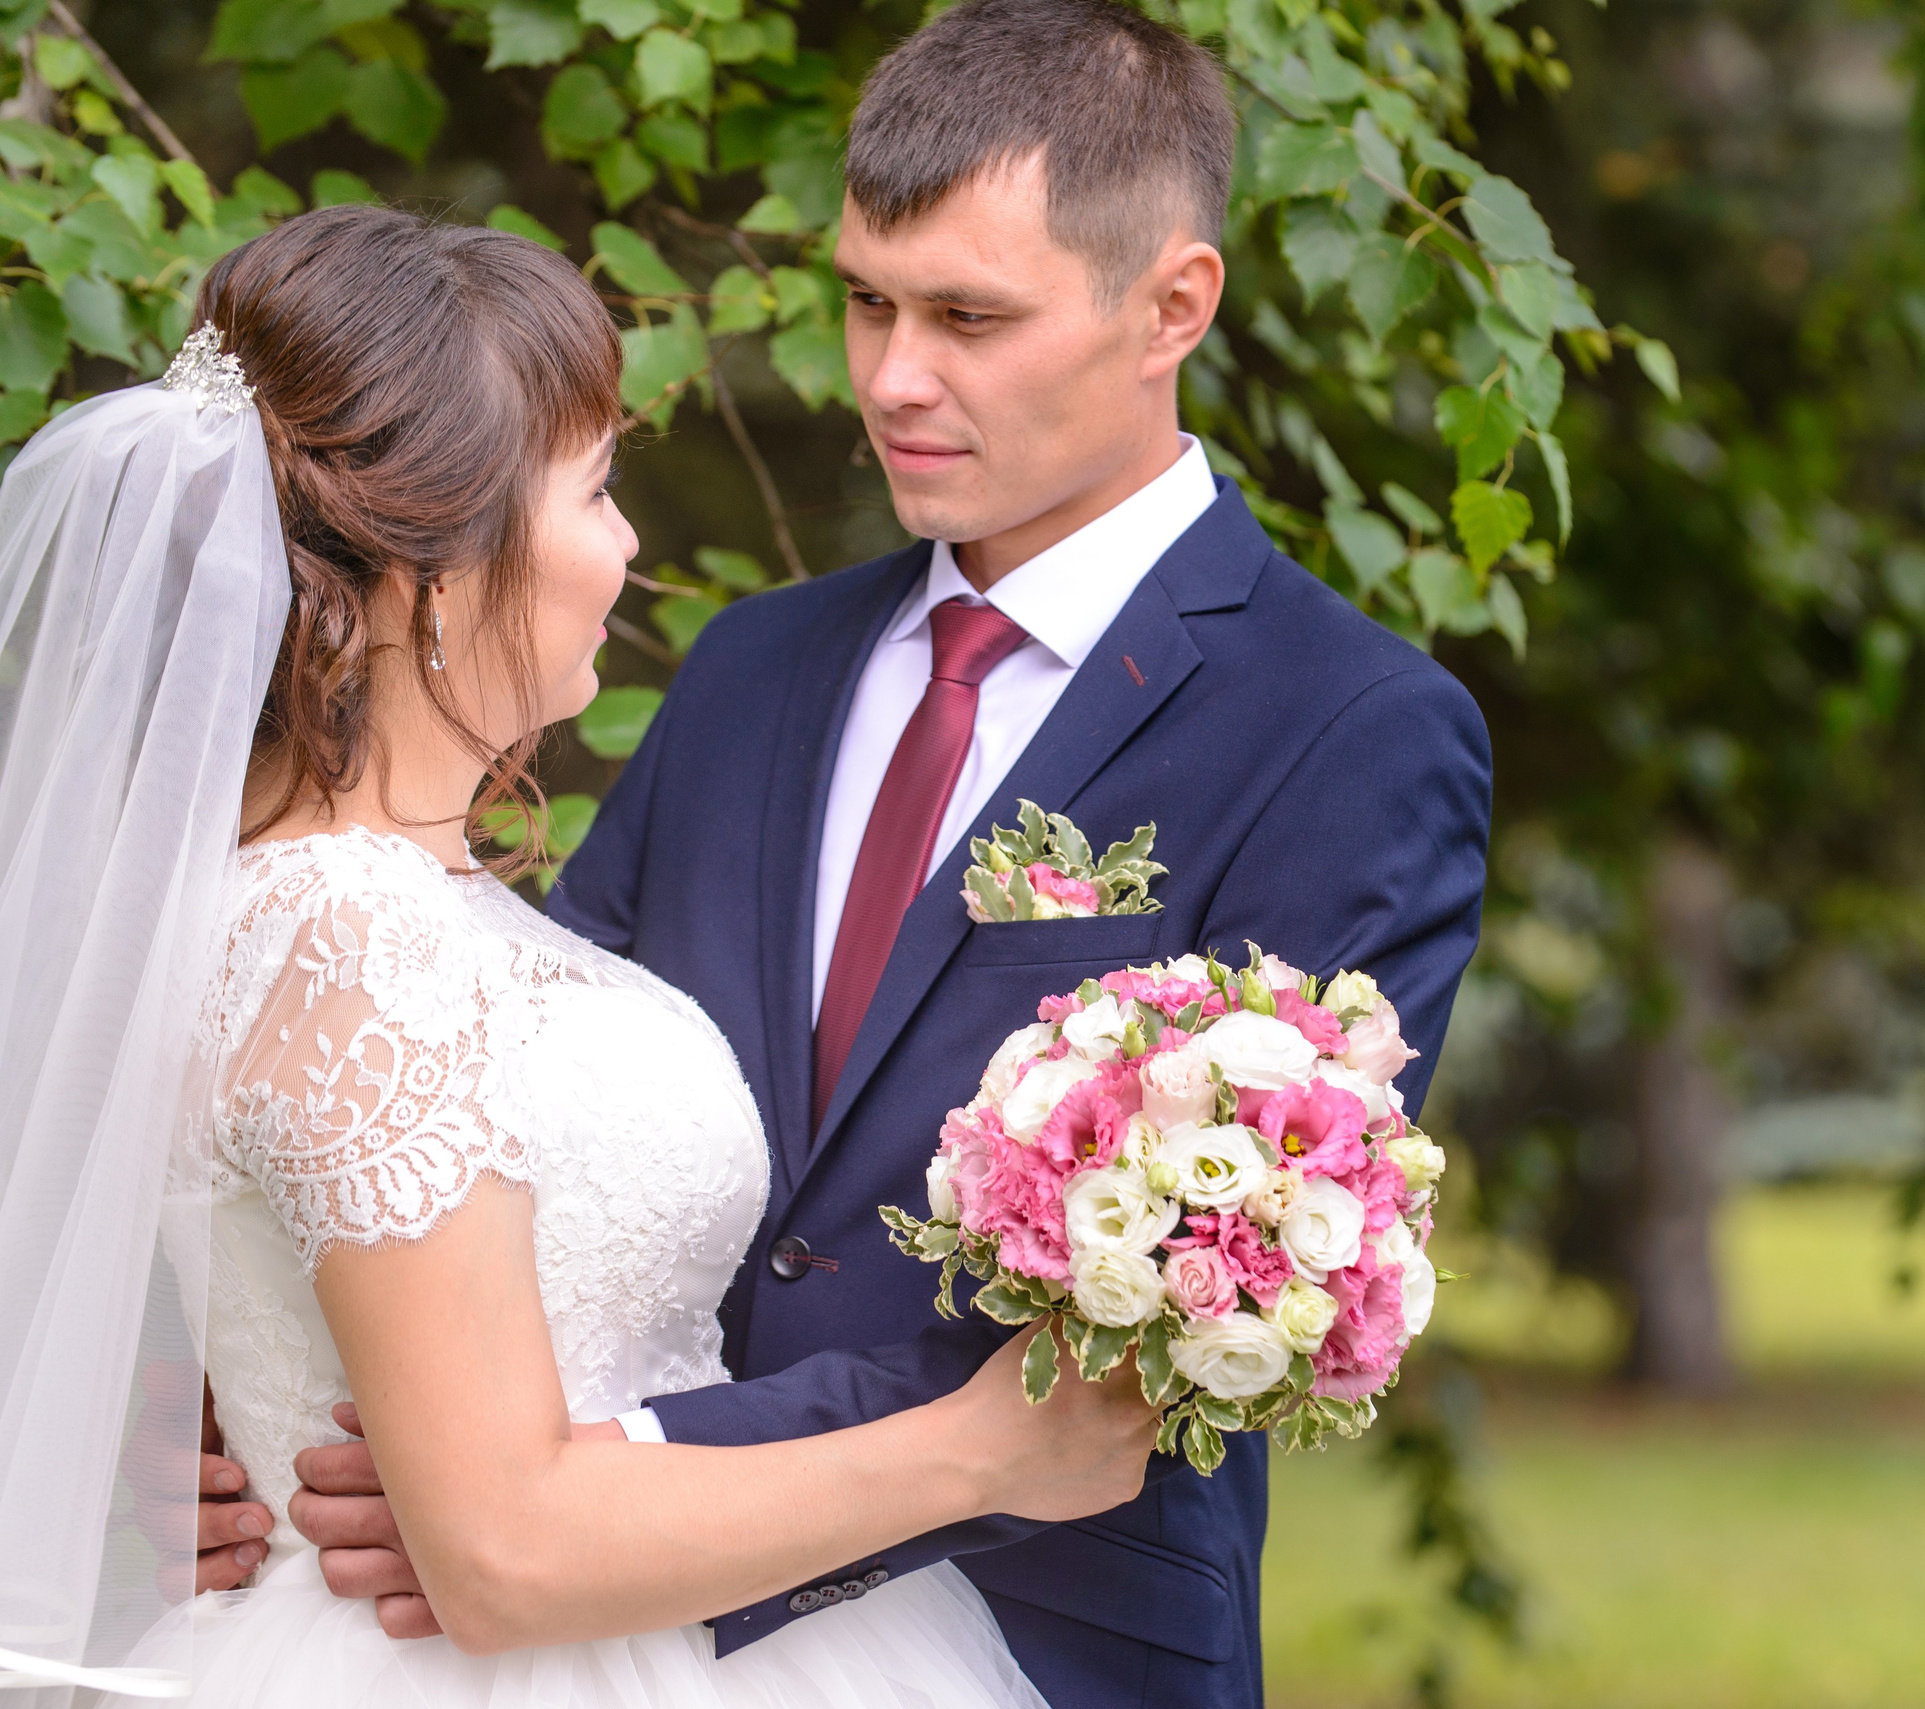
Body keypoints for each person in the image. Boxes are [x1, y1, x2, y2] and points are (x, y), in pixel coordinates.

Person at [277, 2, 1494, 1706]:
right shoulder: (753, 667)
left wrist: (592, 1479)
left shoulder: (1354, 731)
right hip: (565, 1622)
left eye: (968, 317)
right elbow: (506, 1101)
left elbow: (1179, 1317)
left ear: (1174, 307)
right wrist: (252, 1394)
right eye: (867, 299)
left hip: (1038, 1649)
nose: (891, 375)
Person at [0, 201, 1164, 1709]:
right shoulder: (345, 942)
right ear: (436, 574)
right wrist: (984, 1449)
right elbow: (501, 1550)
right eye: (598, 490)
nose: (627, 546)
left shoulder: (378, 908)